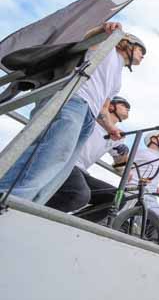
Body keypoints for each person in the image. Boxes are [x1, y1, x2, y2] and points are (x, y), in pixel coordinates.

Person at [0, 23, 145, 204]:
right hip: (73, 100)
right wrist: (103, 30)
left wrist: (110, 127)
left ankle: (28, 203)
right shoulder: (107, 47)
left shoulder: (117, 80)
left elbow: (104, 107)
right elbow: (89, 39)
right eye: (141, 50)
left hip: (89, 115)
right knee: (50, 154)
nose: (143, 56)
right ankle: (8, 198)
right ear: (128, 44)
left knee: (62, 167)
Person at [45, 96, 131, 220]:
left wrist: (124, 155)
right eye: (124, 105)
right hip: (67, 162)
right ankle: (36, 209)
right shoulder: (93, 118)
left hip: (81, 171)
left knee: (118, 199)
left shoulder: (117, 136)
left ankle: (73, 224)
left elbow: (119, 165)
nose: (128, 108)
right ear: (111, 106)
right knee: (80, 195)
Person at [128, 131, 159, 216]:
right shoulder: (141, 151)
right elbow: (123, 164)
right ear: (153, 139)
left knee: (157, 219)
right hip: (134, 190)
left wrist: (156, 185)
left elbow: (153, 173)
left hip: (150, 193)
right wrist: (126, 172)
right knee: (123, 216)